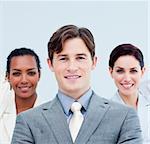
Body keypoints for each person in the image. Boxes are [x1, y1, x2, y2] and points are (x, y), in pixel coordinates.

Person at [11, 25, 142, 144]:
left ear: (94, 62)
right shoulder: (28, 121)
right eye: (63, 58)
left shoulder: (124, 117)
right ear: (50, 64)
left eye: (80, 58)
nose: (72, 67)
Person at [109, 43, 150, 144]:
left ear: (142, 72)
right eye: (120, 71)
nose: (127, 79)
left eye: (133, 71)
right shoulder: (106, 114)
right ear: (111, 72)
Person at [0, 48, 42, 144]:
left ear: (39, 75)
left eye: (31, 73)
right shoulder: (2, 105)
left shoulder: (51, 118)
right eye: (16, 73)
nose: (24, 80)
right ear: (7, 76)